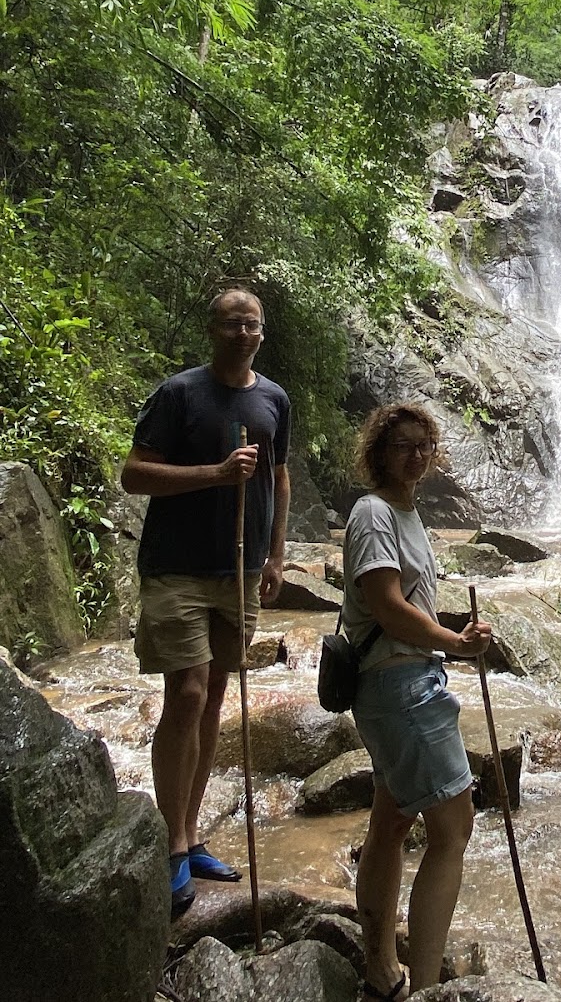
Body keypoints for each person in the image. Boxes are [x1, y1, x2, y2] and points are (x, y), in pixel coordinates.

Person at [121, 288, 290, 918]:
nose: (242, 332)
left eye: (251, 324)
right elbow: (134, 474)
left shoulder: (272, 399)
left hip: (242, 570)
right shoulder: (178, 394)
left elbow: (278, 473)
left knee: (216, 697)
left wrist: (275, 556)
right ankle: (170, 845)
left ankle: (190, 837)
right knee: (187, 693)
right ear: (212, 329)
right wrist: (214, 474)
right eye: (231, 323)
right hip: (178, 570)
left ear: (261, 334)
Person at [341, 403, 492, 1002]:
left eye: (424, 445)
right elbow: (387, 606)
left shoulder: (404, 513)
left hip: (398, 683)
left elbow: (411, 606)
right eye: (403, 445)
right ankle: (427, 986)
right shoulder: (375, 513)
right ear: (379, 452)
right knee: (453, 828)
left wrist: (454, 638)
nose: (416, 455)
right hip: (402, 688)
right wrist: (453, 642)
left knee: (391, 821)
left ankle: (380, 966)